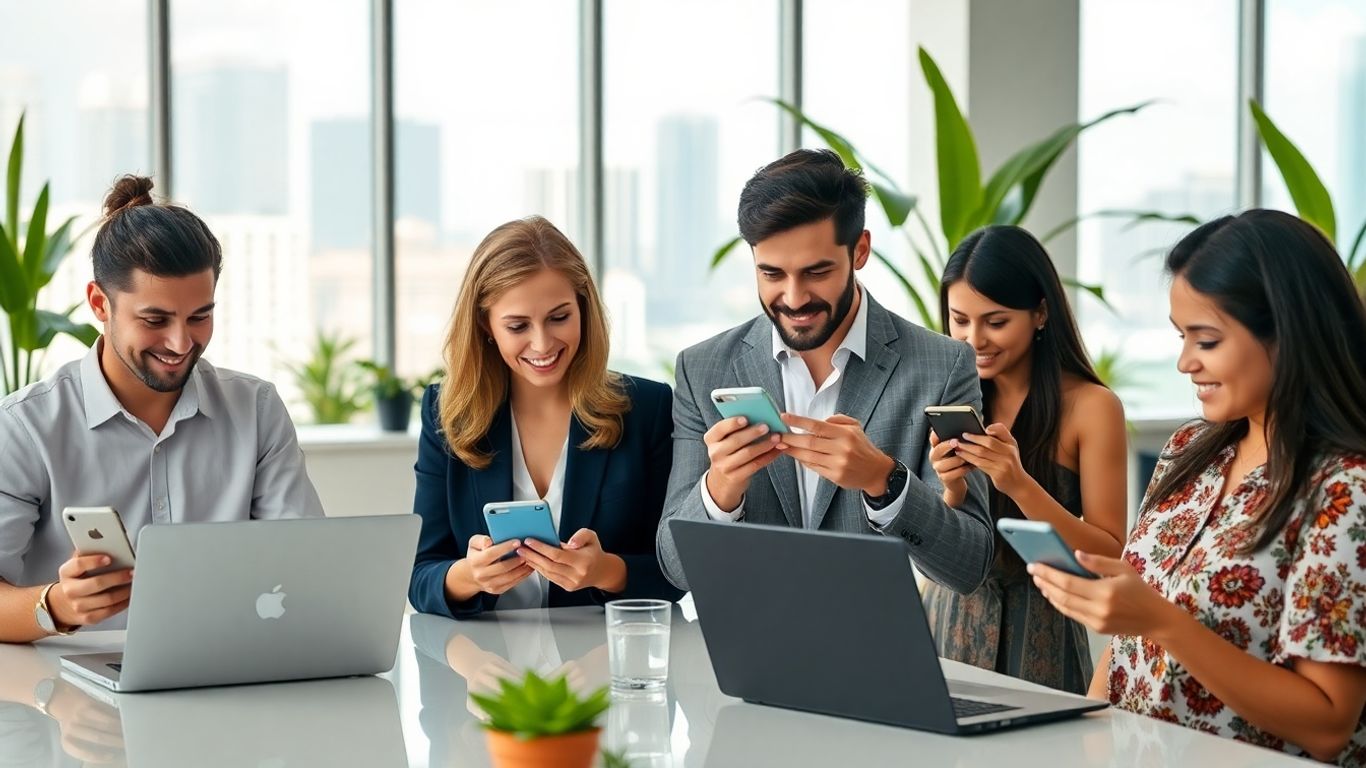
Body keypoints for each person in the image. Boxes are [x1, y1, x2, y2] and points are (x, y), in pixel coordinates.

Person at [1030, 210, 1366, 763]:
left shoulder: (1343, 487)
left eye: (1206, 341)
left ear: (1287, 331)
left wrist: (1161, 620)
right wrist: (1085, 738)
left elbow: (1328, 723)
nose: (1185, 362)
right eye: (1181, 336)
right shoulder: (1190, 449)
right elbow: (1125, 646)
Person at [0, 175, 323, 643]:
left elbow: (307, 565)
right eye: (155, 320)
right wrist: (56, 605)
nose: (180, 343)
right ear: (100, 304)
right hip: (68, 692)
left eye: (200, 316)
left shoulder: (256, 409)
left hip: (224, 671)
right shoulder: (25, 427)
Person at [656, 148, 993, 593]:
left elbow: (969, 566)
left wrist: (884, 482)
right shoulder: (704, 369)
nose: (794, 298)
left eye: (816, 272)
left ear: (860, 251)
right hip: (746, 652)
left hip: (878, 655)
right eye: (772, 274)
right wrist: (720, 487)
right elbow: (676, 570)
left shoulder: (942, 366)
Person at [408, 216, 682, 617]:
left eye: (559, 317)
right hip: (486, 666)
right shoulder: (445, 413)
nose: (542, 343)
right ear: (486, 325)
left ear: (583, 309)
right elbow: (419, 575)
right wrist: (470, 576)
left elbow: (672, 573)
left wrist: (605, 571)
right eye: (518, 325)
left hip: (598, 663)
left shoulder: (647, 408)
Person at [923, 225, 1127, 693]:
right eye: (959, 320)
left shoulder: (1092, 408)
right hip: (946, 624)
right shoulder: (948, 394)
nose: (974, 339)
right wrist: (951, 492)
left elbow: (1109, 552)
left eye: (995, 322)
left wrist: (1019, 484)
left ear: (1040, 313)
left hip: (1043, 639)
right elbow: (930, 541)